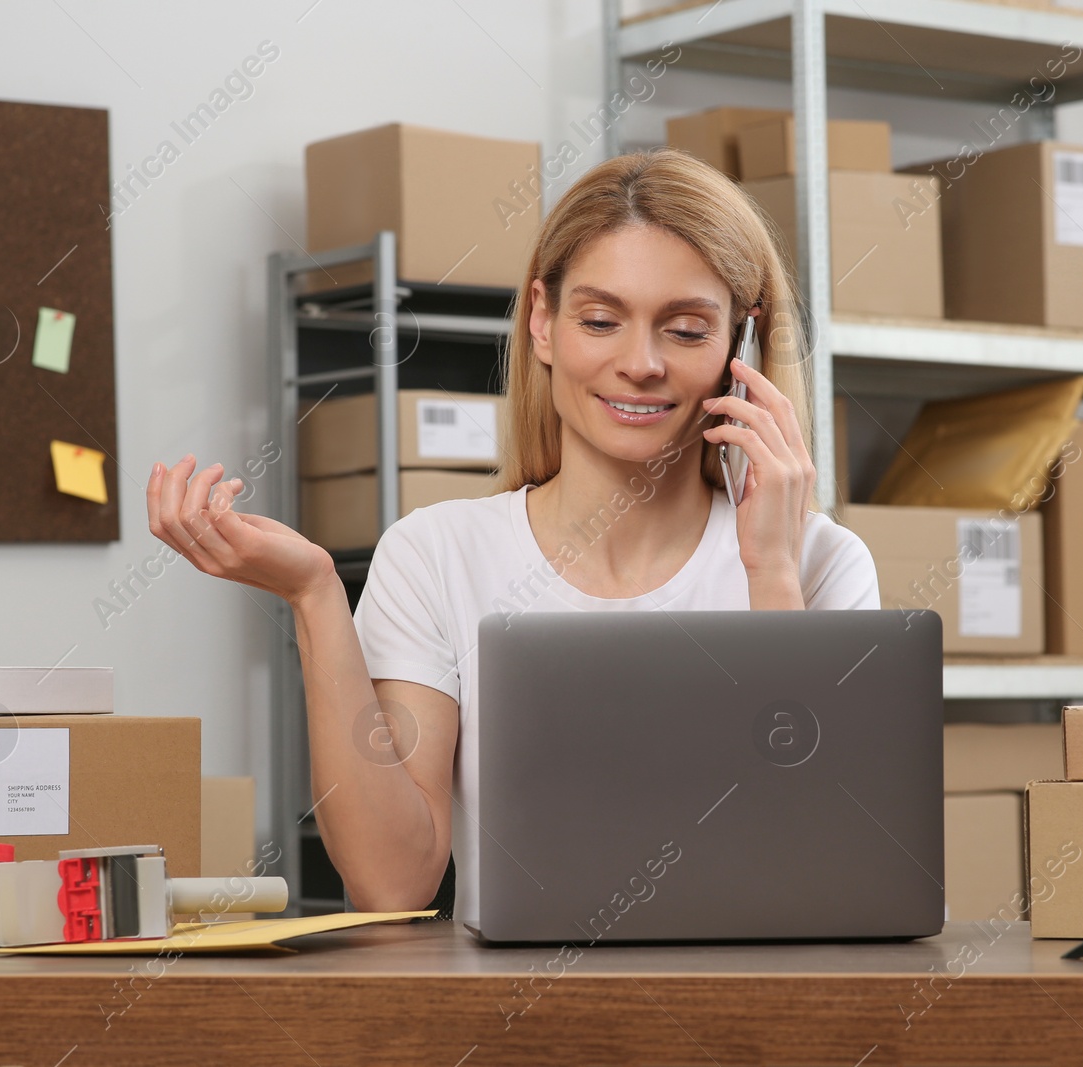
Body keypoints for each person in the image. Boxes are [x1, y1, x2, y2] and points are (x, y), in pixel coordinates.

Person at [146, 147, 879, 930]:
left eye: (688, 330)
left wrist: (770, 570)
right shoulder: (435, 554)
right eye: (600, 320)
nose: (640, 363)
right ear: (541, 321)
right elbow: (392, 881)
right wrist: (314, 593)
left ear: (744, 347)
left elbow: (828, 863)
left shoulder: (822, 565)